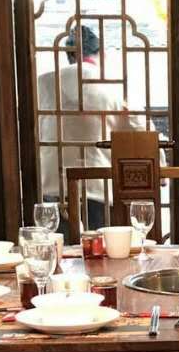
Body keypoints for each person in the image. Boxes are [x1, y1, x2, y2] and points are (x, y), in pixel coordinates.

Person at [36, 25, 135, 232]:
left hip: (52, 186)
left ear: (68, 56)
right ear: (102, 53)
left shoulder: (43, 82)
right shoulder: (113, 85)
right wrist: (160, 167)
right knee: (99, 249)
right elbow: (138, 129)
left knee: (58, 247)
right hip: (97, 186)